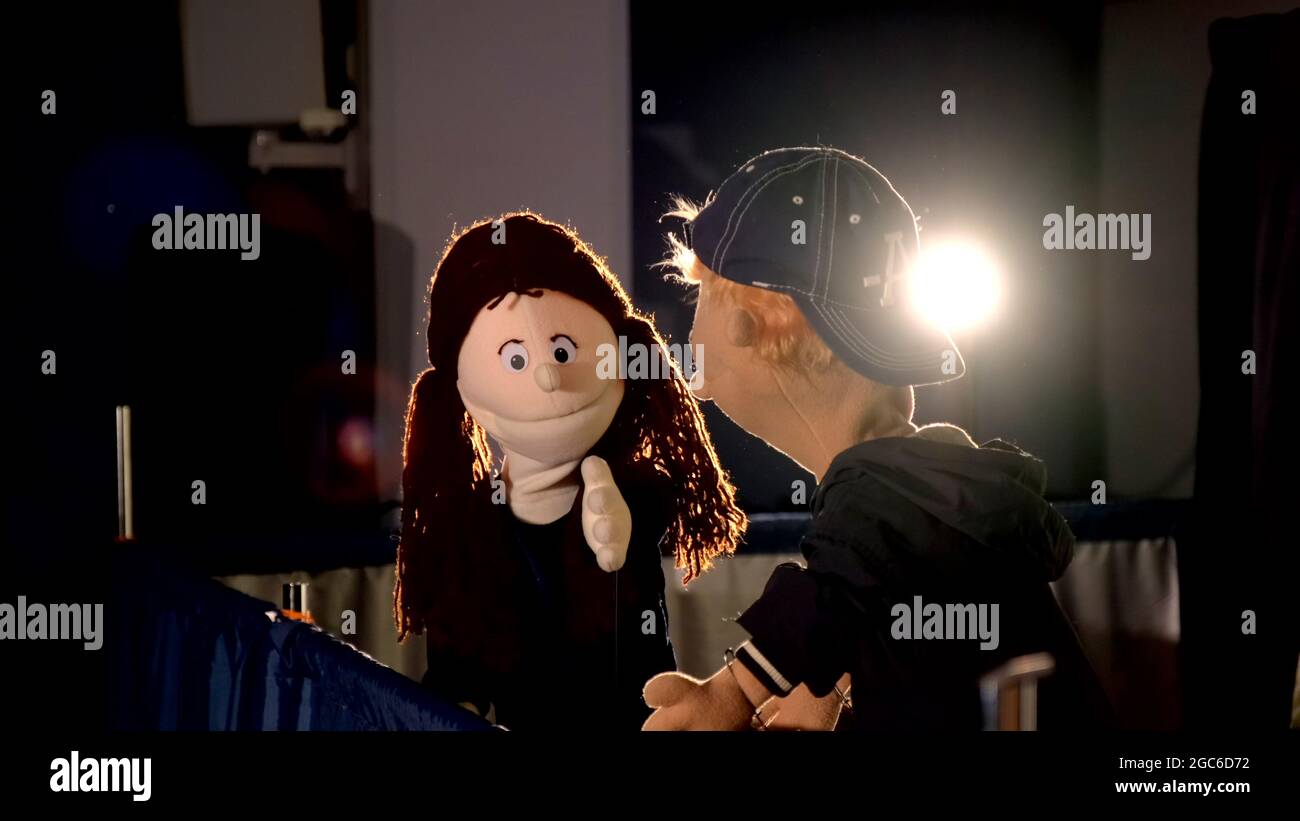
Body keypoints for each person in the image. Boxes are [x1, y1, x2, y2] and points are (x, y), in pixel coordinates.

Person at [643, 147, 1112, 731]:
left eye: (703, 296)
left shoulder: (876, 494)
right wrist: (828, 692)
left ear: (760, 325)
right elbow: (883, 612)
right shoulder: (935, 480)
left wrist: (731, 693)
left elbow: (832, 599)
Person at [396, 213, 745, 730]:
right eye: (514, 358)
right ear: (462, 393)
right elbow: (458, 670)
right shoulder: (470, 528)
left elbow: (652, 512)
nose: (548, 372)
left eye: (563, 350)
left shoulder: (633, 492)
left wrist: (614, 514)